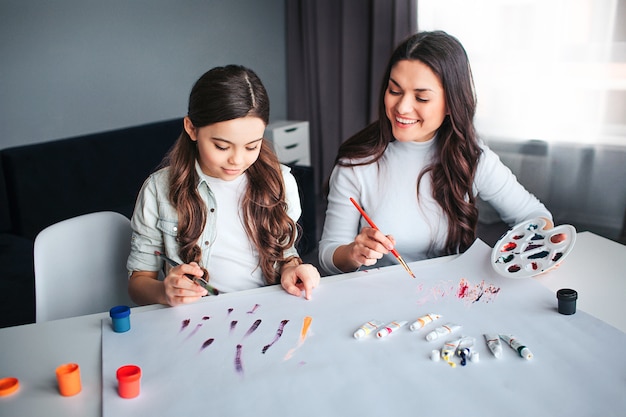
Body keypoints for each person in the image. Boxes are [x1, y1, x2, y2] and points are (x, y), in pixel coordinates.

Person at [319, 31, 553, 274]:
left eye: (421, 97)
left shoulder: (472, 157)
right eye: (395, 91)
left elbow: (533, 215)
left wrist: (538, 246)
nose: (402, 107)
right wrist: (354, 253)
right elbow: (328, 255)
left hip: (450, 292)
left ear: (451, 104)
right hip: (382, 296)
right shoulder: (357, 163)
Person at [127, 65, 320, 306]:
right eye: (222, 146)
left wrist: (293, 269)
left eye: (252, 146)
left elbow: (286, 255)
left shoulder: (280, 182)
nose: (237, 160)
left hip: (265, 313)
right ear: (191, 128)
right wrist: (164, 292)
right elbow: (138, 283)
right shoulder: (158, 189)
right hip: (197, 319)